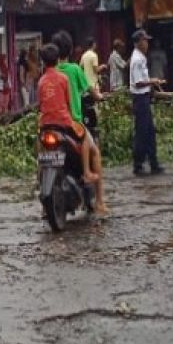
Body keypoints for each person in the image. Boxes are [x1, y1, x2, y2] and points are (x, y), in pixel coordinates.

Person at [52, 30, 107, 215]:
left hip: (51, 123)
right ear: (69, 50)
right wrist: (99, 95)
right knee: (95, 152)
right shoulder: (74, 69)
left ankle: (41, 185)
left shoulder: (50, 72)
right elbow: (89, 89)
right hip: (72, 121)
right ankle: (99, 201)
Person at [129, 29, 164, 175]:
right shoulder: (137, 59)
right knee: (142, 133)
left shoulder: (140, 57)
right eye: (144, 40)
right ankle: (138, 164)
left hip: (144, 98)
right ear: (138, 42)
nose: (147, 43)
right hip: (140, 99)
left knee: (149, 132)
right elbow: (138, 82)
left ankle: (153, 162)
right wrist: (152, 81)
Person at [79, 37, 101, 135]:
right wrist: (103, 67)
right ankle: (95, 126)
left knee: (87, 106)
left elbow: (80, 68)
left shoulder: (84, 55)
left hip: (85, 86)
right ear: (93, 44)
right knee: (95, 106)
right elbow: (96, 70)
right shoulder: (94, 55)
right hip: (93, 84)